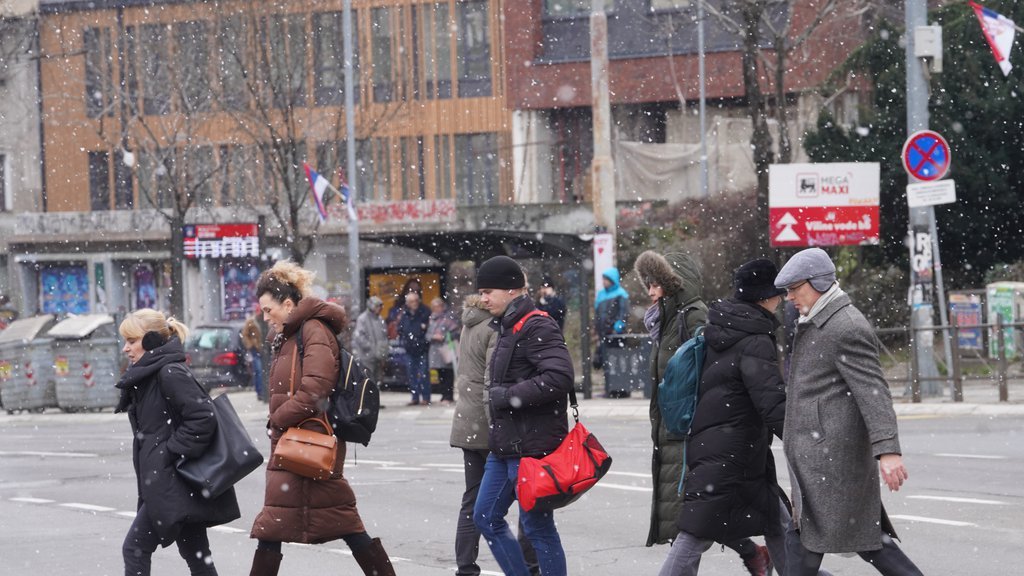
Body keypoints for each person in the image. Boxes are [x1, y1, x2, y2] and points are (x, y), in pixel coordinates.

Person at [775, 248, 923, 576]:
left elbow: (873, 391)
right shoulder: (818, 321)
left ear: (818, 283)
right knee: (853, 539)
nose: (789, 297)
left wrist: (888, 450)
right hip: (819, 462)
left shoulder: (846, 325)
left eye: (794, 289)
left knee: (847, 541)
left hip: (832, 464)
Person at [247, 261, 395, 576]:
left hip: (307, 442)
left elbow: (316, 388)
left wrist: (278, 418)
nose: (265, 317)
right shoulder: (289, 335)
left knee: (280, 524)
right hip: (296, 444)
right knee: (283, 524)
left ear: (288, 305)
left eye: (268, 310)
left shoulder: (312, 330)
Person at [657, 259, 790, 576]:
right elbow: (770, 402)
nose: (783, 298)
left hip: (720, 445)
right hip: (733, 454)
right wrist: (803, 439)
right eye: (779, 293)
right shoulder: (755, 337)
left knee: (778, 522)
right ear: (765, 296)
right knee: (694, 535)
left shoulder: (723, 326)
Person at [115, 309, 240, 576]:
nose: (126, 348)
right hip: (174, 481)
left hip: (172, 482)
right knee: (196, 554)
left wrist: (170, 452)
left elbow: (203, 417)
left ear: (150, 341)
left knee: (135, 548)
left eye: (132, 341)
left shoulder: (169, 373)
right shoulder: (150, 376)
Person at [473, 255, 575, 576]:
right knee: (485, 516)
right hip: (506, 444)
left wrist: (508, 396)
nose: (483, 298)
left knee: (537, 526)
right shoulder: (506, 325)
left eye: (488, 291)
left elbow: (559, 377)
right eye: (481, 292)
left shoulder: (537, 325)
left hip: (531, 446)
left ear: (512, 289)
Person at [398, 290, 432, 405]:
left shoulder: (425, 311)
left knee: (423, 374)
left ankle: (426, 397)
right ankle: (415, 397)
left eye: (416, 300)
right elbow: (401, 328)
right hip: (409, 348)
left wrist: (423, 338)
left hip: (422, 348)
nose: (414, 303)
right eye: (411, 301)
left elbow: (429, 328)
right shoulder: (405, 314)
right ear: (407, 303)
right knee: (411, 374)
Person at [594, 267, 630, 369]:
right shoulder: (601, 294)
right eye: (603, 279)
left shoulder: (621, 293)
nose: (604, 282)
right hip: (603, 333)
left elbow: (624, 313)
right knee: (605, 361)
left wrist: (617, 328)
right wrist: (596, 329)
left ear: (612, 280)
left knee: (616, 361)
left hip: (615, 335)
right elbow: (597, 313)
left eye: (606, 279)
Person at [428, 296, 460, 405]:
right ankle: (443, 395)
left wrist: (444, 336)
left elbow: (456, 332)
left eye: (438, 306)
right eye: (434, 307)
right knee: (440, 373)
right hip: (435, 350)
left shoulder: (449, 317)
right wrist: (433, 336)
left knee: (448, 373)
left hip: (447, 349)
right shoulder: (432, 318)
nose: (436, 309)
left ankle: (448, 396)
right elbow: (428, 334)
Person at [352, 296, 389, 381]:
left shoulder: (380, 319)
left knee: (377, 380)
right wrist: (370, 347)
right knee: (368, 380)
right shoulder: (362, 319)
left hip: (378, 357)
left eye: (380, 306)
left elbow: (384, 336)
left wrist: (383, 352)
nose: (380, 308)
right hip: (367, 357)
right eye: (377, 306)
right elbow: (359, 337)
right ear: (371, 306)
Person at [241, 316, 265, 401]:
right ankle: (260, 392)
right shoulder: (252, 322)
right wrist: (252, 345)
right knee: (258, 371)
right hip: (255, 348)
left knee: (258, 371)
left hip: (257, 348)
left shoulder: (258, 321)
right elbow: (245, 335)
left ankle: (260, 392)